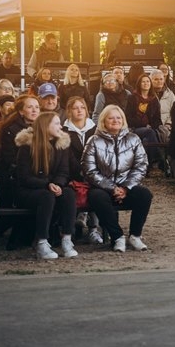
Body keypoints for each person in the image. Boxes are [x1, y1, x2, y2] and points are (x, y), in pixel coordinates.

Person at [82, 105, 152, 251]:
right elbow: (89, 170)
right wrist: (112, 188)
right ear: (104, 121)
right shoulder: (94, 141)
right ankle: (117, 236)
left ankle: (135, 236)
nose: (115, 120)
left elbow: (141, 165)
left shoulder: (133, 139)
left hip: (126, 185)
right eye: (111, 117)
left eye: (118, 117)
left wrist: (126, 188)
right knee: (97, 197)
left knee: (144, 194)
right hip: (103, 187)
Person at [14, 111, 78, 259]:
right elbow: (24, 177)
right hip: (28, 190)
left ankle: (67, 239)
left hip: (51, 187)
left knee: (68, 193)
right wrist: (47, 184)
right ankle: (42, 242)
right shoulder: (27, 146)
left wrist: (57, 184)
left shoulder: (61, 145)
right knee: (46, 196)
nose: (60, 126)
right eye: (56, 123)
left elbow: (64, 171)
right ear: (45, 126)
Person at [63, 96, 102, 245]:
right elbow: (67, 156)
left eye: (82, 107)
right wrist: (81, 171)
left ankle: (93, 228)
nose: (79, 110)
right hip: (73, 173)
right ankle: (73, 227)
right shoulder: (64, 130)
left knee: (97, 188)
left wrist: (90, 171)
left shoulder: (96, 129)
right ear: (69, 111)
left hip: (93, 171)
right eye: (75, 108)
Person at [125, 73, 162, 164]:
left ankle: (145, 166)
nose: (146, 83)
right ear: (139, 84)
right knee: (149, 132)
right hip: (134, 128)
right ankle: (157, 162)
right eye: (143, 82)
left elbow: (158, 119)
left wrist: (152, 126)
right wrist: (144, 125)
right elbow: (128, 117)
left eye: (148, 81)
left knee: (146, 140)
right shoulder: (132, 98)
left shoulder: (154, 99)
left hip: (150, 129)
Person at [149, 68, 175, 147]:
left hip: (167, 125)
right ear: (151, 80)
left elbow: (174, 112)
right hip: (152, 126)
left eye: (161, 79)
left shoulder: (170, 95)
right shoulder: (147, 94)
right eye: (156, 79)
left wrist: (168, 124)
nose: (159, 81)